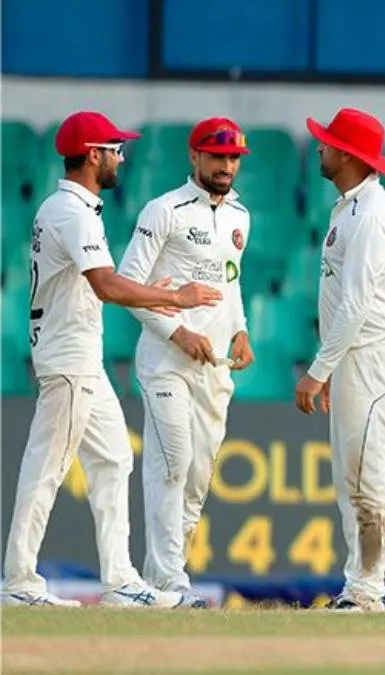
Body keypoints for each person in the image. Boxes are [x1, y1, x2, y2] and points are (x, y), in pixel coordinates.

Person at [2, 111, 222, 608]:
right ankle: (19, 582)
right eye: (114, 149)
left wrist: (152, 292)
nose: (122, 157)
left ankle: (120, 581)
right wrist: (176, 300)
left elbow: (97, 283)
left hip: (80, 356)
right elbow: (104, 284)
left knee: (114, 459)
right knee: (48, 466)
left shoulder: (69, 208)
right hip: (70, 357)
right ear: (93, 154)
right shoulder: (73, 213)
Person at [118, 118, 255, 609]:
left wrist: (240, 329)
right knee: (172, 461)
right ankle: (169, 580)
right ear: (194, 157)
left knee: (197, 476)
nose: (227, 166)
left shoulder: (240, 215)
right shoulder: (164, 211)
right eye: (217, 156)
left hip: (215, 364)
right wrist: (177, 331)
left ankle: (168, 579)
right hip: (164, 360)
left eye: (234, 157)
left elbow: (231, 281)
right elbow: (127, 287)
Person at [292, 109, 385, 612]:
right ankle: (361, 583)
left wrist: (318, 371)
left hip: (370, 359)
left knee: (366, 479)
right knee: (353, 478)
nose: (319, 148)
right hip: (358, 358)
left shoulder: (371, 214)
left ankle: (368, 590)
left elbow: (358, 302)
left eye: (326, 143)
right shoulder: (350, 208)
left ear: (346, 154)